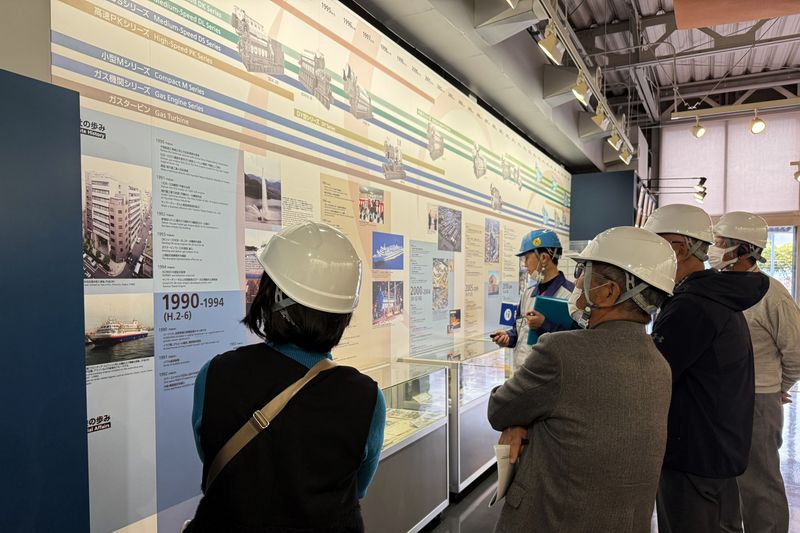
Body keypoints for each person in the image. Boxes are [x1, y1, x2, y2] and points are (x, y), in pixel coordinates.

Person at [186, 222, 386, 532]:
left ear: (273, 297)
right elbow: (356, 488)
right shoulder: (366, 398)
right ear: (343, 314)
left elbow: (214, 459)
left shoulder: (214, 374)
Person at [488, 226, 677, 532]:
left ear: (608, 292)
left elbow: (500, 409)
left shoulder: (562, 351)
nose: (577, 282)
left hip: (552, 520)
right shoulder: (659, 365)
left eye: (583, 273)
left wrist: (519, 419)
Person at [643, 204, 769, 533]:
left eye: (652, 246)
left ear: (678, 249)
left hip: (692, 456)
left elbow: (653, 378)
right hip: (718, 450)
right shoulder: (717, 297)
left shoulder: (691, 305)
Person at [713, 211, 800, 533]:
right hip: (718, 399)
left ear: (741, 249)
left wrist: (776, 387)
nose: (712, 249)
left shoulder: (771, 293)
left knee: (759, 482)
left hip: (757, 399)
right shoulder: (714, 288)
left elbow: (796, 352)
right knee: (724, 481)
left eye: (719, 242)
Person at [490, 229, 574, 368]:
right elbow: (519, 330)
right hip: (521, 372)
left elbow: (573, 343)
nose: (524, 264)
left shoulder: (571, 296)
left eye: (527, 258)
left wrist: (544, 324)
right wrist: (508, 337)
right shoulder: (528, 293)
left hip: (547, 376)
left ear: (544, 258)